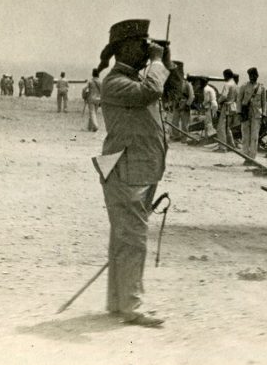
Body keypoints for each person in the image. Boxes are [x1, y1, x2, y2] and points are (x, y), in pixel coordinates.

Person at [95, 19, 171, 327]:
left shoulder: (137, 78)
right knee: (133, 239)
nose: (147, 48)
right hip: (127, 170)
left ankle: (119, 302)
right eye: (142, 43)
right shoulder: (114, 82)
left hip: (140, 169)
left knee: (125, 238)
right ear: (125, 47)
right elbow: (149, 92)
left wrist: (164, 61)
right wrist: (155, 62)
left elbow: (172, 90)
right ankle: (133, 305)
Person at [237, 67, 267, 158]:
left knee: (254, 137)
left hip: (256, 114)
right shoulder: (244, 86)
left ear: (257, 76)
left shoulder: (261, 87)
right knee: (245, 136)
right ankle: (246, 156)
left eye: (254, 75)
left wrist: (264, 114)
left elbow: (264, 102)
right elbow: (239, 100)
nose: (252, 77)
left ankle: (252, 157)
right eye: (250, 75)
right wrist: (239, 113)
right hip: (245, 113)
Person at [215, 69, 239, 151]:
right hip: (233, 107)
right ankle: (231, 146)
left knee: (221, 128)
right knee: (227, 128)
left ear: (227, 75)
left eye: (224, 76)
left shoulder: (227, 84)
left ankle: (222, 147)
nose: (224, 77)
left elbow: (224, 96)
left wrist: (218, 101)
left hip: (226, 107)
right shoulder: (235, 85)